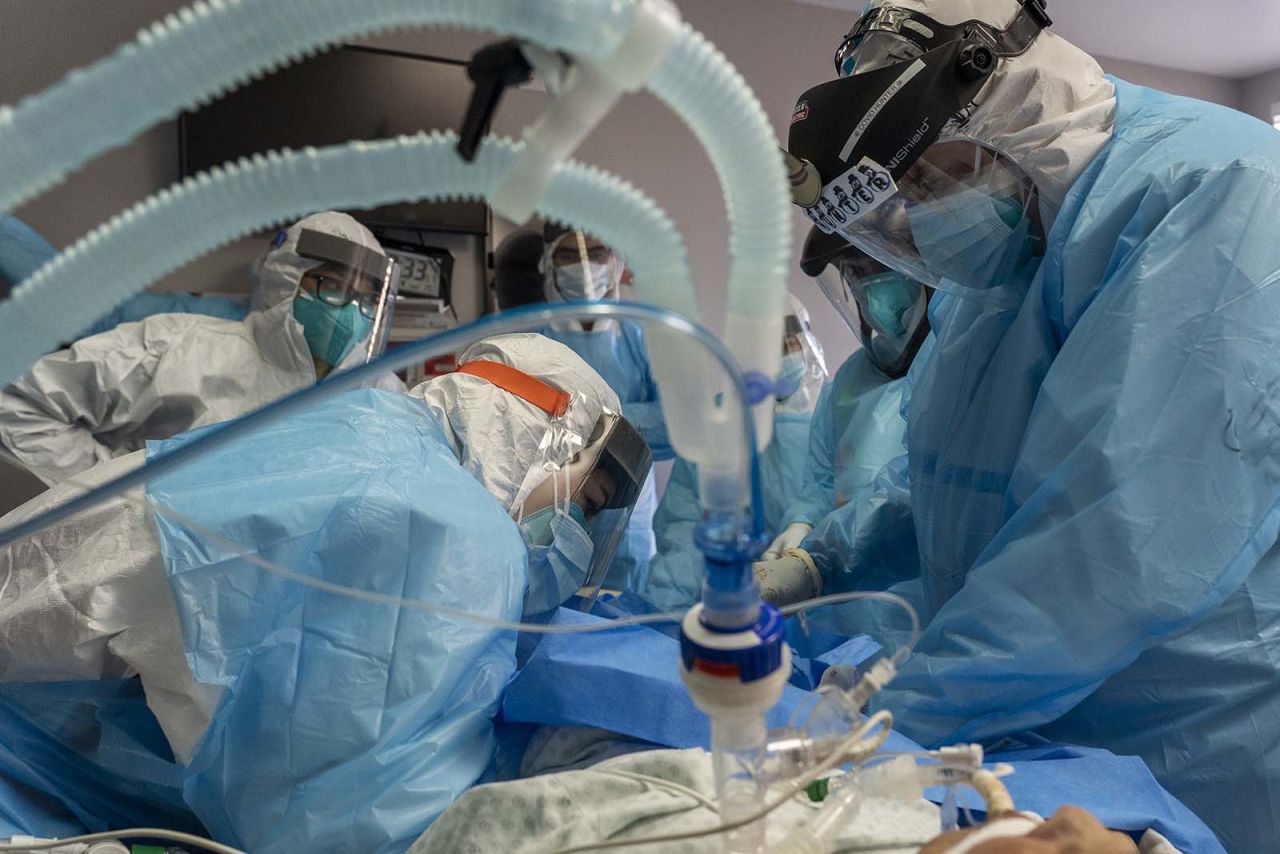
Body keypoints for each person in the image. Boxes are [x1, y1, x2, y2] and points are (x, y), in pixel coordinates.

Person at [777, 0, 1280, 847]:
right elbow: (948, 480)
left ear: (1003, 93)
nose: (921, 217)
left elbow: (1110, 541)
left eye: (931, 177)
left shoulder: (1222, 196)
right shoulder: (1005, 269)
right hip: (1052, 741)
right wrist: (820, 560)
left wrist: (880, 729)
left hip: (1209, 743)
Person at [0, 332, 650, 852]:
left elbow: (73, 569)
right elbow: (354, 818)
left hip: (67, 767)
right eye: (583, 503)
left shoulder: (356, 427)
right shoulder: (463, 535)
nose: (573, 535)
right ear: (541, 436)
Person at [0, 211, 403, 484]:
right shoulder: (180, 348)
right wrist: (118, 500)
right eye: (331, 287)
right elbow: (21, 405)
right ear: (287, 280)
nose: (353, 313)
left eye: (368, 299)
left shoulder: (380, 392)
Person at [642, 292, 827, 612]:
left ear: (807, 342)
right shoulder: (718, 424)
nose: (777, 357)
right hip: (736, 606)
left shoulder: (836, 412)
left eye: (787, 344)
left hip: (827, 601)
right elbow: (688, 524)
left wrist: (808, 543)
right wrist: (666, 604)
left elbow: (854, 514)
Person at [526, 224, 672, 593]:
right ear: (549, 263)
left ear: (618, 261)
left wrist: (590, 418)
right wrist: (620, 426)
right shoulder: (528, 339)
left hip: (629, 505)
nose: (584, 265)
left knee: (624, 611)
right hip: (551, 498)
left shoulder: (644, 334)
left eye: (596, 252)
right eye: (569, 254)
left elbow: (677, 423)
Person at [763, 234, 918, 561]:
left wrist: (832, 544)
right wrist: (801, 524)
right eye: (855, 274)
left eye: (875, 267)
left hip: (921, 591)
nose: (868, 289)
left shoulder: (948, 365)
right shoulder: (849, 382)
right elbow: (821, 485)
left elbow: (919, 491)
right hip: (849, 600)